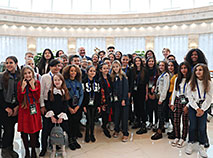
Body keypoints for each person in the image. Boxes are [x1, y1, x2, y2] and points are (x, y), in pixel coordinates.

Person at [185, 63, 213, 158]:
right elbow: (189, 97)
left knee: (202, 127)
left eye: (200, 70)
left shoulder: (209, 83)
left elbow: (209, 97)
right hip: (194, 107)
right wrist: (197, 108)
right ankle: (190, 142)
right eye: (196, 70)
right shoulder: (191, 82)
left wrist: (202, 109)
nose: (198, 72)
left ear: (204, 71)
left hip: (203, 108)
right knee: (192, 126)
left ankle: (202, 145)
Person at [17, 66, 42, 158]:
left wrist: (32, 86)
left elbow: (37, 97)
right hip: (24, 109)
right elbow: (19, 99)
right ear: (22, 75)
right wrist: (22, 89)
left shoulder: (37, 83)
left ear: (32, 73)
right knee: (23, 132)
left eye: (29, 73)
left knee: (33, 131)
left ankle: (33, 151)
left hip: (33, 110)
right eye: (25, 73)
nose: (27, 75)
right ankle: (27, 151)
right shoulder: (20, 83)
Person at [45, 73, 71, 158]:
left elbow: (65, 105)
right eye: (55, 80)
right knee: (52, 133)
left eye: (59, 80)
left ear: (62, 81)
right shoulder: (50, 92)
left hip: (61, 116)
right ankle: (53, 149)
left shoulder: (65, 92)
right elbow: (48, 104)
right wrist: (52, 116)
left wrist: (61, 116)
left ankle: (63, 149)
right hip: (52, 115)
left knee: (62, 132)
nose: (57, 82)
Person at [39, 59, 61, 157]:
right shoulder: (45, 77)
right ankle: (43, 148)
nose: (56, 68)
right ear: (50, 67)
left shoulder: (60, 76)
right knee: (46, 128)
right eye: (54, 66)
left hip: (56, 104)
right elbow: (41, 92)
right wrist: (42, 105)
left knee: (54, 126)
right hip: (47, 104)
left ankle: (53, 144)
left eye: (58, 66)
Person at [0, 56, 20, 158]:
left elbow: (22, 93)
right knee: (7, 129)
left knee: (12, 129)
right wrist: (6, 107)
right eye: (7, 63)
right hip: (5, 106)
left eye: (11, 63)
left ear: (16, 64)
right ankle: (5, 150)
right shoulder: (2, 76)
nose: (8, 65)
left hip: (16, 106)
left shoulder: (20, 76)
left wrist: (16, 107)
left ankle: (10, 148)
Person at [170, 62, 191, 148]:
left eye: (185, 68)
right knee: (176, 120)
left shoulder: (191, 79)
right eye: (182, 68)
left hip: (187, 101)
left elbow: (193, 94)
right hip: (178, 100)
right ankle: (177, 136)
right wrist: (172, 103)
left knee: (185, 121)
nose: (183, 70)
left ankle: (183, 138)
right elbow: (175, 91)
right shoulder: (177, 79)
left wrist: (188, 105)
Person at [63, 65, 83, 150]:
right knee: (70, 123)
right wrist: (69, 108)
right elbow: (63, 96)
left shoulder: (78, 82)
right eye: (71, 71)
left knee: (76, 123)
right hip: (69, 105)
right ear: (68, 72)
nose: (73, 73)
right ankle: (70, 139)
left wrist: (78, 106)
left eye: (75, 71)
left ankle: (74, 139)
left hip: (77, 105)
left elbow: (82, 94)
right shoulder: (65, 82)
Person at [110, 60, 129, 142]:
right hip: (116, 100)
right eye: (113, 67)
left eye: (117, 66)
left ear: (120, 67)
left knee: (124, 117)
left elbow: (126, 89)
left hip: (123, 100)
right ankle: (116, 130)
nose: (115, 68)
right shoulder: (112, 77)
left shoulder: (123, 76)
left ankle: (125, 133)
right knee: (116, 116)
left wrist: (124, 99)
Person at [151, 61, 170, 140]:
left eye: (163, 65)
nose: (161, 67)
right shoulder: (160, 75)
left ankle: (159, 132)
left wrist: (161, 99)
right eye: (160, 65)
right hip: (158, 96)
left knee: (160, 114)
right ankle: (161, 127)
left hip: (162, 98)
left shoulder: (166, 75)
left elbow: (165, 88)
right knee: (159, 114)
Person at [82, 66, 101, 143]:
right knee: (88, 120)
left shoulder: (97, 82)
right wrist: (83, 105)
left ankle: (92, 134)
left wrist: (99, 105)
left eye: (94, 71)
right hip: (86, 104)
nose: (92, 72)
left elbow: (98, 94)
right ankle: (87, 134)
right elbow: (82, 94)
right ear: (87, 72)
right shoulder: (84, 81)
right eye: (90, 71)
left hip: (94, 104)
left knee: (93, 120)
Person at [131, 56, 148, 134]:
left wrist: (147, 94)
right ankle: (137, 121)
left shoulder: (144, 70)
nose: (137, 62)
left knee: (142, 108)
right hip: (135, 92)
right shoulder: (132, 70)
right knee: (136, 107)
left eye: (139, 61)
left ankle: (143, 125)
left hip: (142, 91)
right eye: (136, 61)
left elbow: (147, 84)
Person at [99, 63, 113, 138]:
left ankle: (107, 124)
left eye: (107, 68)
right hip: (103, 100)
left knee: (109, 113)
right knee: (104, 114)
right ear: (101, 70)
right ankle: (104, 127)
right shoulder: (100, 79)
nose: (106, 70)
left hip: (109, 98)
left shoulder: (109, 77)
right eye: (104, 68)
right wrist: (102, 103)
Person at [146, 57, 159, 131]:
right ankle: (150, 122)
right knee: (149, 109)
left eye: (152, 61)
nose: (151, 63)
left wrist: (154, 92)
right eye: (149, 61)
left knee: (156, 109)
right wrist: (148, 93)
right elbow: (145, 82)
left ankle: (156, 123)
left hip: (156, 92)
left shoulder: (157, 71)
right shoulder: (145, 71)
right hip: (148, 91)